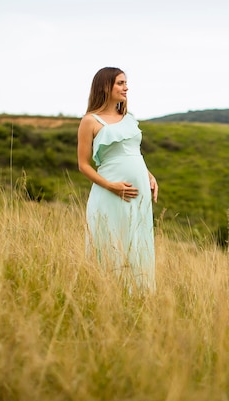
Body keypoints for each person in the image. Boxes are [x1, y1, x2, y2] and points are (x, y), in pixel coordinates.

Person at [77, 67, 158, 293]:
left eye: (126, 83)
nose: (126, 87)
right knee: (110, 242)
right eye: (121, 83)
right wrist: (111, 186)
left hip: (137, 192)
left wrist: (149, 176)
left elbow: (134, 153)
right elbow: (83, 165)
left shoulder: (129, 119)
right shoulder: (90, 121)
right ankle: (104, 294)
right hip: (109, 193)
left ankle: (138, 298)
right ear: (105, 86)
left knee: (137, 242)